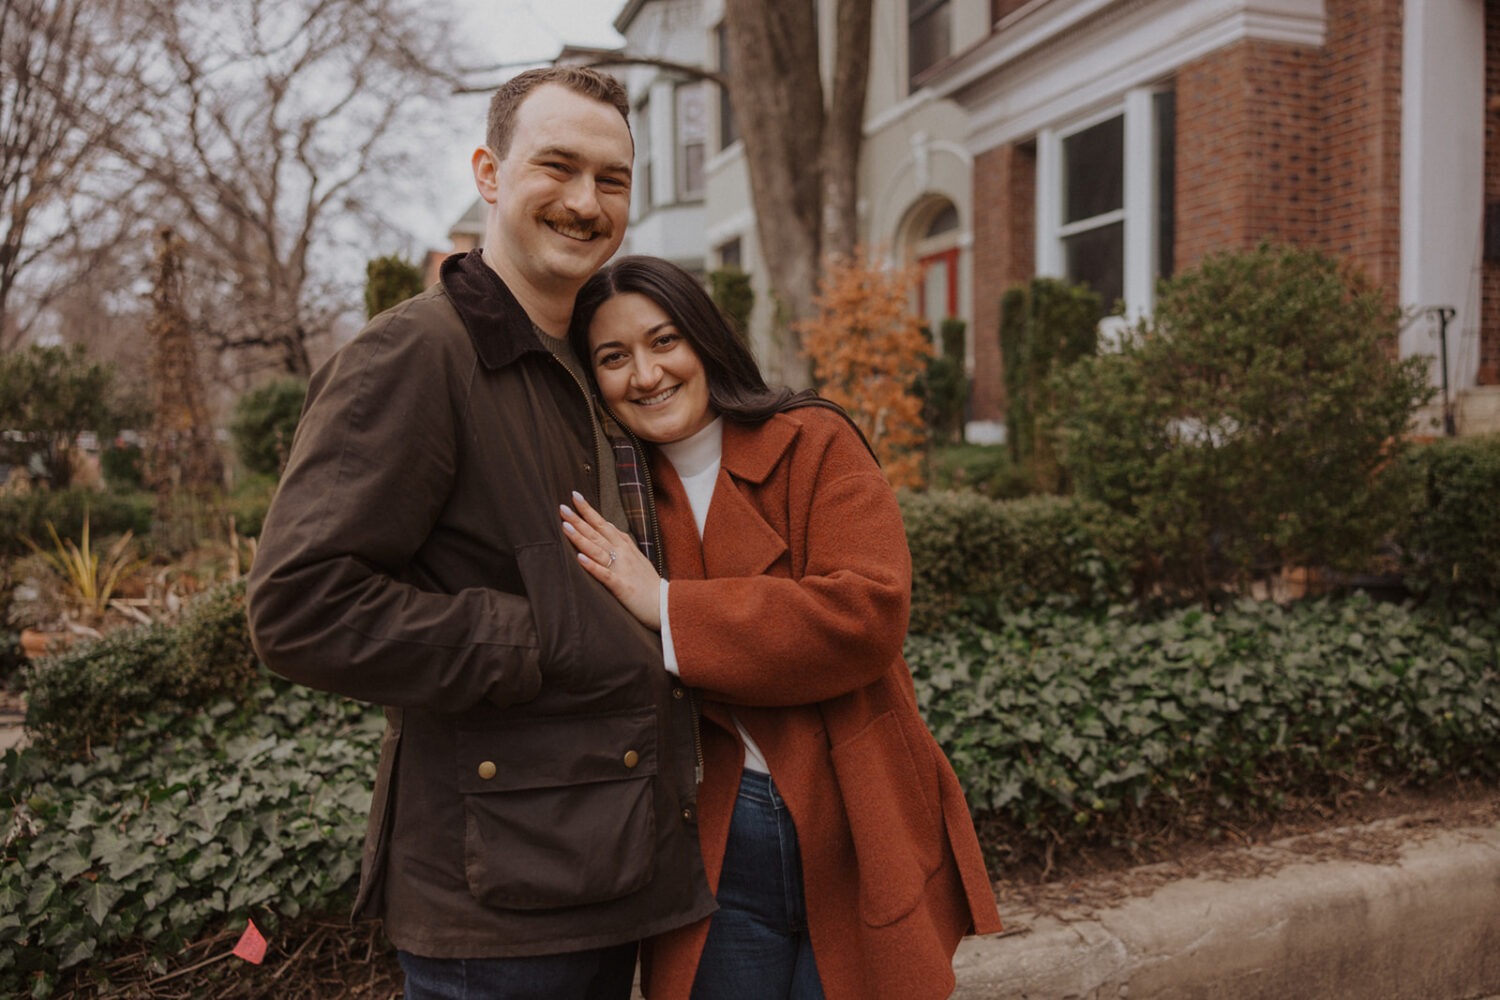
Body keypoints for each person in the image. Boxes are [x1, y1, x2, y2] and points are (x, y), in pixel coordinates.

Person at [246, 71, 714, 1000]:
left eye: (612, 179)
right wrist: (550, 633)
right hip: (501, 907)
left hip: (612, 861)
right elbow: (301, 606)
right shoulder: (416, 353)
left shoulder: (590, 356)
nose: (586, 202)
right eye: (559, 167)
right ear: (490, 175)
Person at [558, 255, 1003, 1000]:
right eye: (613, 357)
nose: (646, 374)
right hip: (711, 838)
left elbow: (865, 613)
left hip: (854, 810)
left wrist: (666, 605)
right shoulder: (614, 496)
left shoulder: (814, 441)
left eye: (664, 340)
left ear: (704, 339)